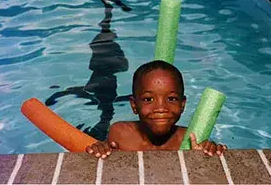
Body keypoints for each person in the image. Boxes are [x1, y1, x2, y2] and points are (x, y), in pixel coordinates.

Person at [86, 60, 227, 159]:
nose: (161, 108)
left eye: (171, 99)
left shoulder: (189, 139)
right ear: (134, 105)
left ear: (182, 104)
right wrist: (102, 148)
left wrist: (209, 150)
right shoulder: (120, 134)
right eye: (148, 99)